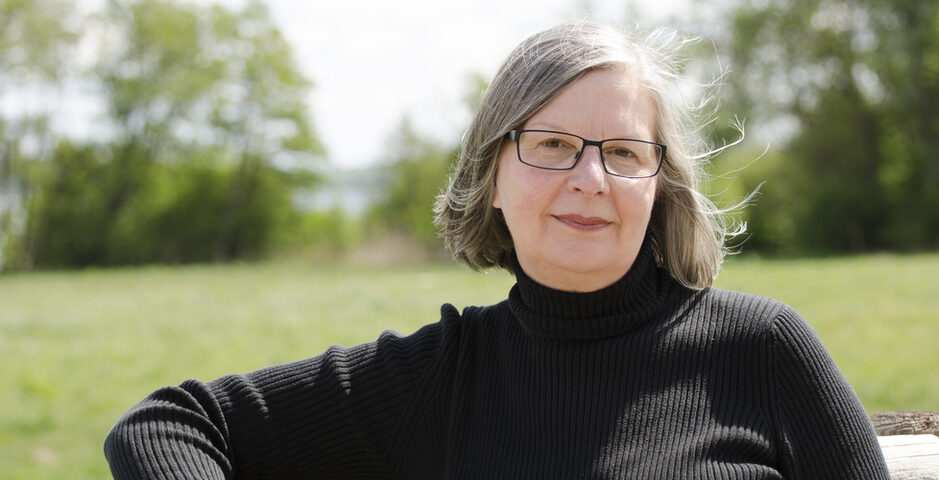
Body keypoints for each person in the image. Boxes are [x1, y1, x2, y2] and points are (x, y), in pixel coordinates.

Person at [104, 22, 890, 479]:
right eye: (552, 144)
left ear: (659, 183)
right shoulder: (440, 377)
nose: (590, 178)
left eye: (622, 152)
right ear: (492, 177)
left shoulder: (763, 350)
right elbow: (168, 423)